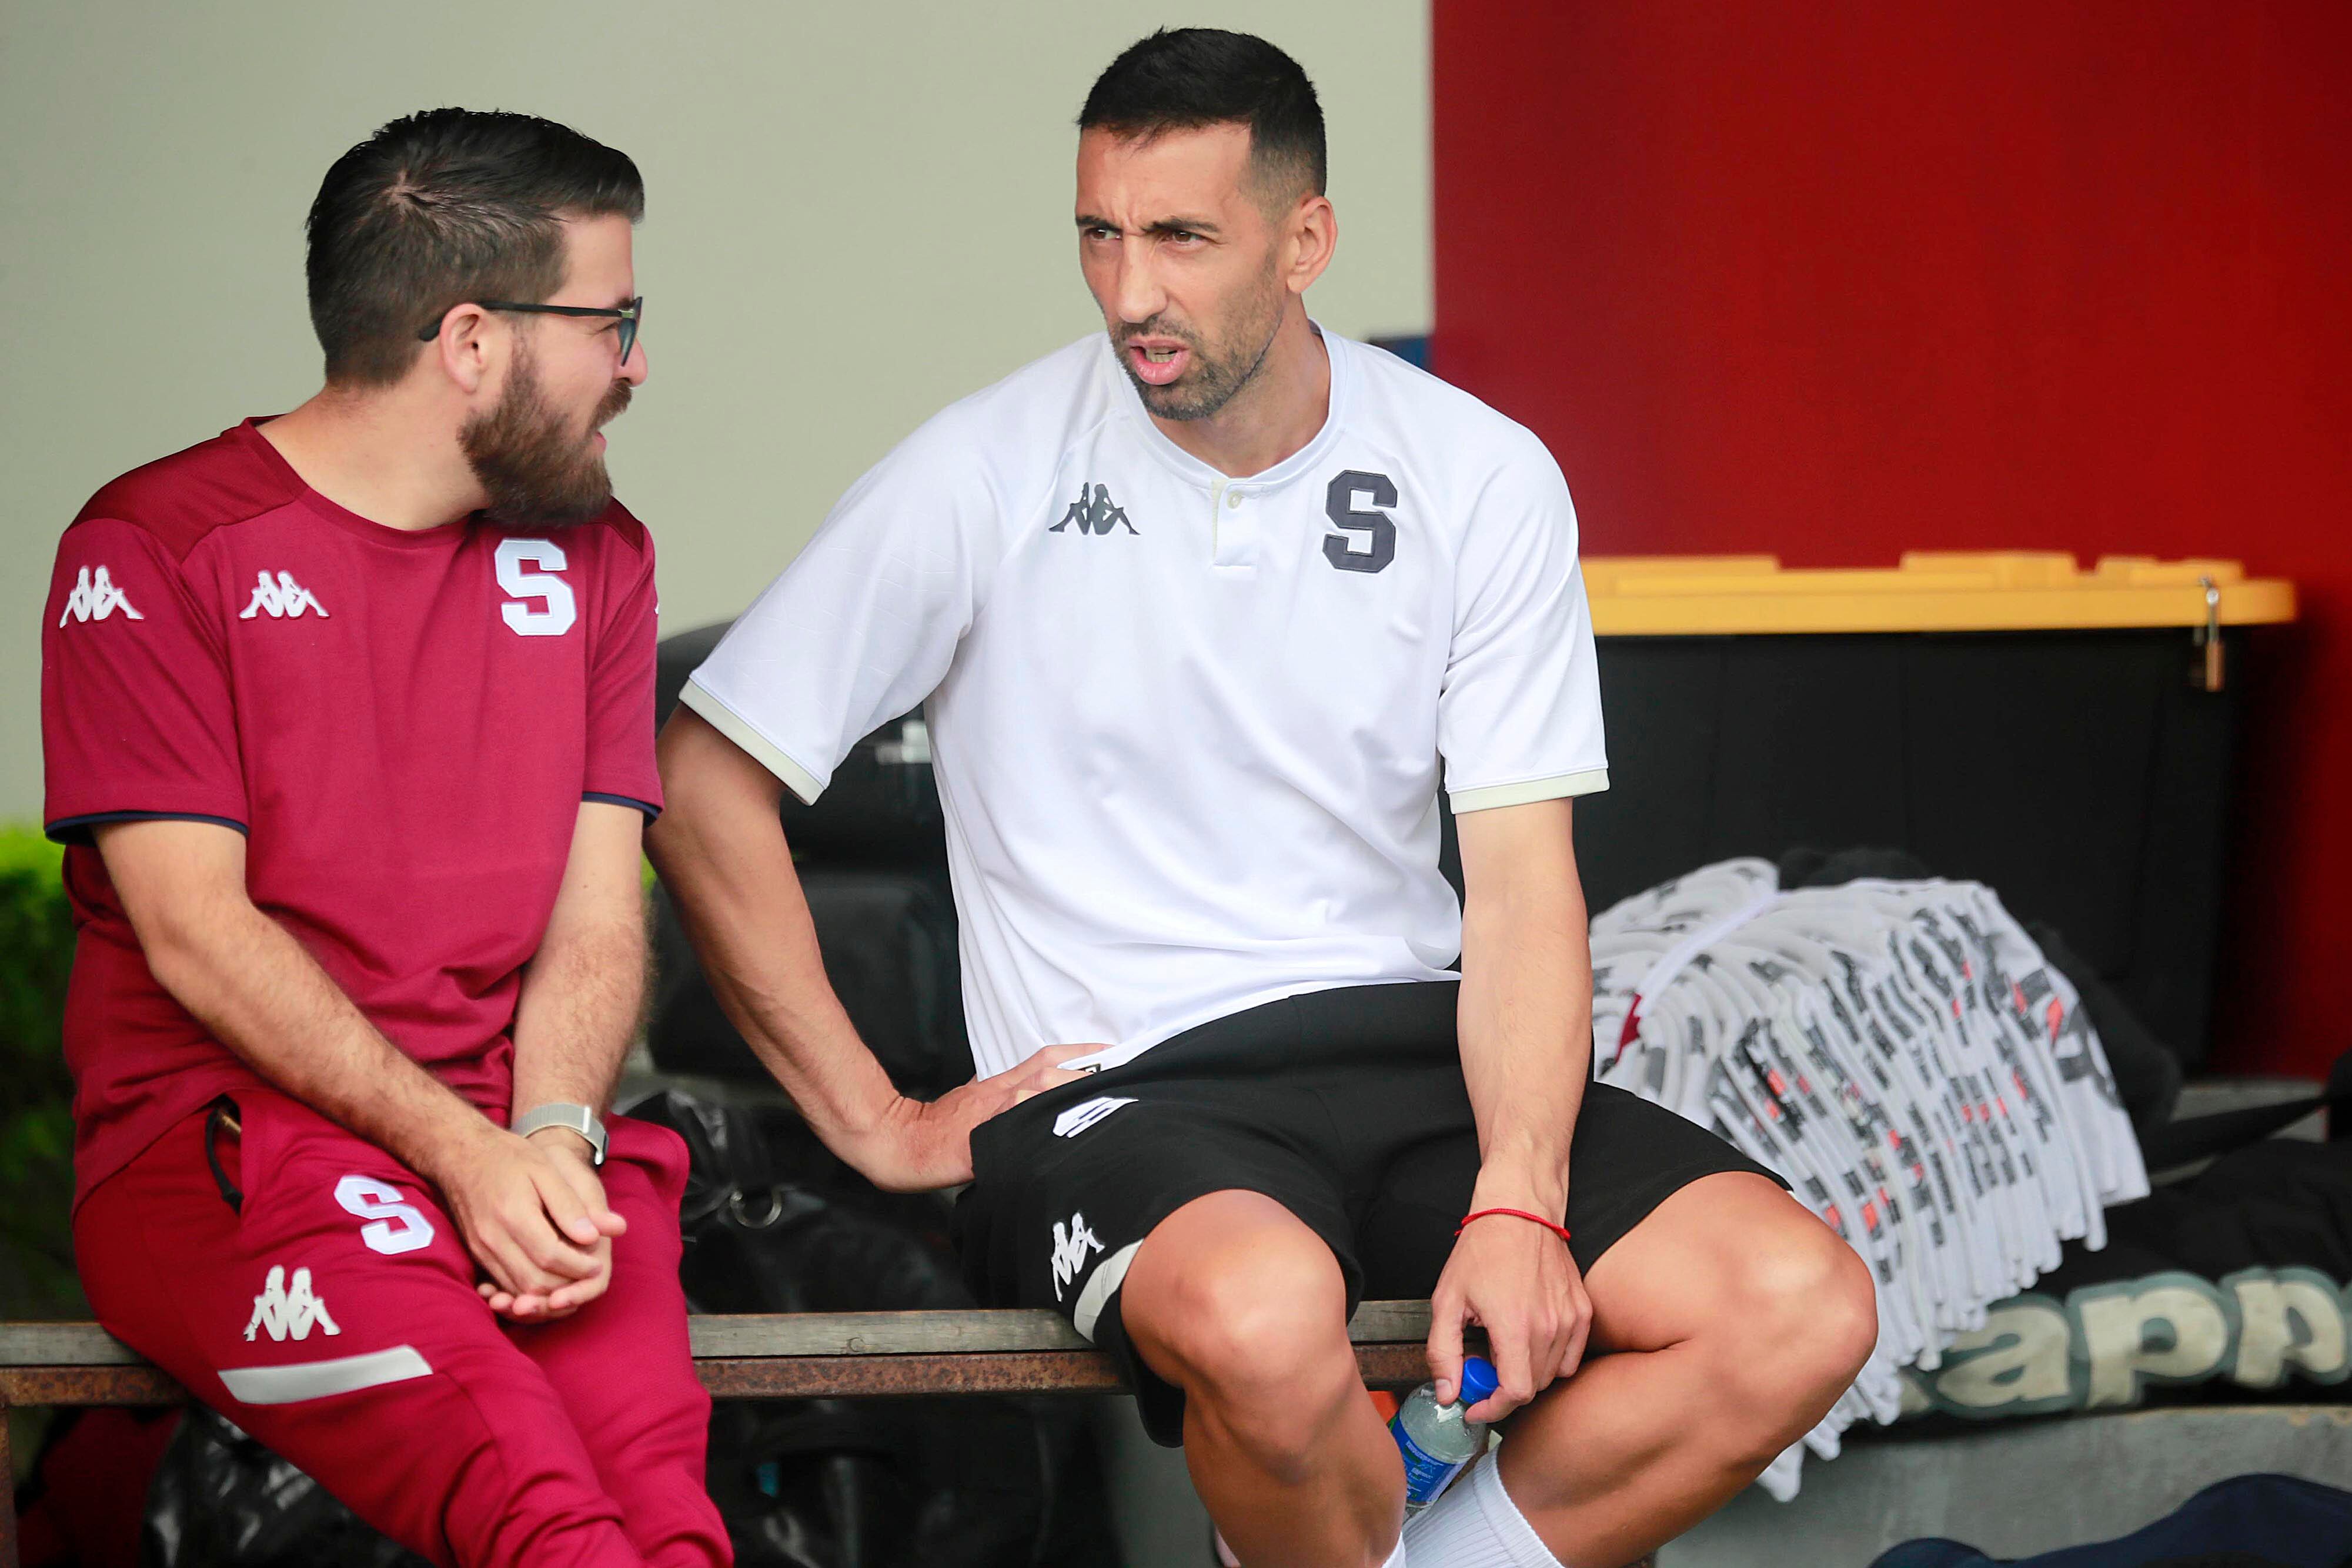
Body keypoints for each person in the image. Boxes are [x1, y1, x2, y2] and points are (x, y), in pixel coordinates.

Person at [651, 28, 1875, 1568]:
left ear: (1308, 241)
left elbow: (1520, 877)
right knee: (1265, 1313)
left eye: (1180, 237)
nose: (1129, 290)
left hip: (1415, 1059)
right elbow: (703, 774)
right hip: (1131, 1087)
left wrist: (1520, 1194)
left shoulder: (1476, 474)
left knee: (1797, 1302)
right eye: (1099, 233)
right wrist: (876, 1119)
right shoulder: (981, 470)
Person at [41, 109, 727, 1568]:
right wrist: (460, 1155)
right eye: (613, 319)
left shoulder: (601, 547)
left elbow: (598, 914)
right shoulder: (153, 547)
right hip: (231, 1149)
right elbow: (195, 934)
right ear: (471, 339)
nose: (637, 364)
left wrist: (545, 1136)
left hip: (516, 1136)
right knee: (547, 1521)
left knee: (665, 1525)